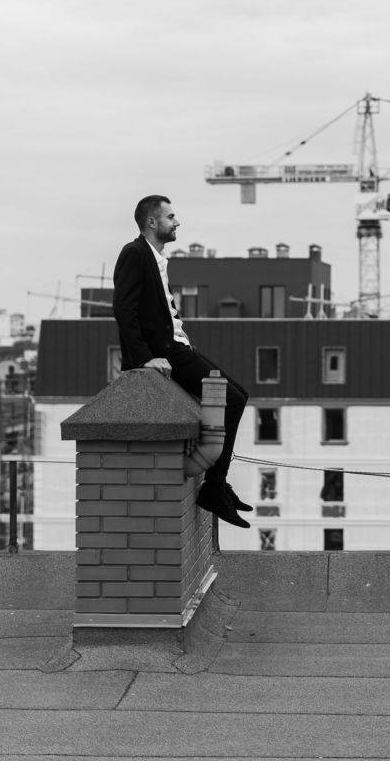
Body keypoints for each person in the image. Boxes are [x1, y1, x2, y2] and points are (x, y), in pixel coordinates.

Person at [112, 195, 252, 529]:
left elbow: (162, 311)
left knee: (239, 395)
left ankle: (218, 484)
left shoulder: (157, 259)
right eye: (170, 216)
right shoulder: (134, 253)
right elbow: (124, 309)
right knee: (232, 399)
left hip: (178, 346)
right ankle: (214, 487)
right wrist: (144, 358)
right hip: (167, 353)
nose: (177, 222)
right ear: (151, 222)